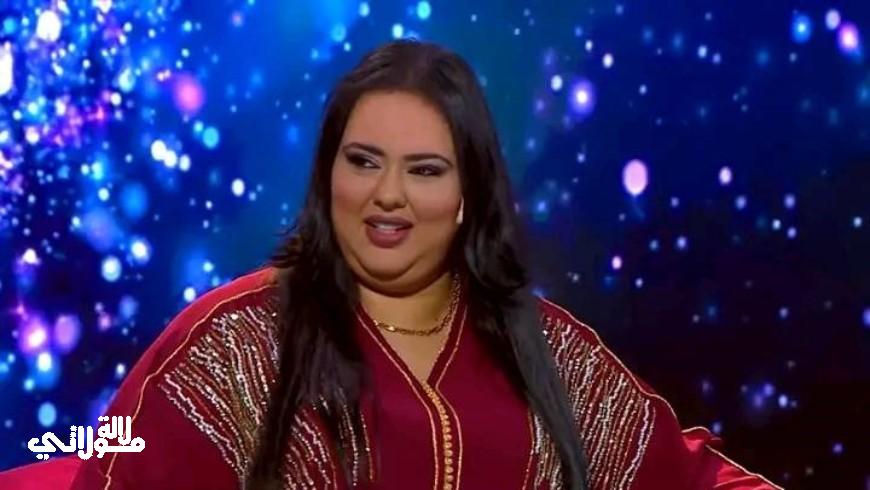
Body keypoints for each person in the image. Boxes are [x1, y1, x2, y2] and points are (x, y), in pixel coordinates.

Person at [0, 39, 781, 490]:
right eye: (364, 161)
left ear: (470, 193)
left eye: (425, 170)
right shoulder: (229, 349)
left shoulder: (551, 355)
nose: (387, 196)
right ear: (327, 176)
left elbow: (690, 481)